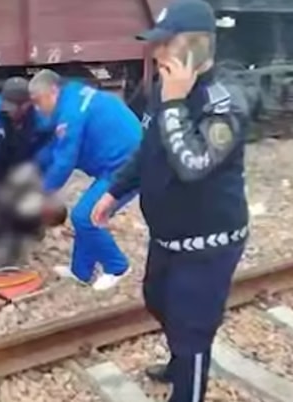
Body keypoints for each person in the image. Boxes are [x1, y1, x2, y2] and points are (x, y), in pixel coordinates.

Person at [91, 1, 250, 401]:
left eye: (166, 43)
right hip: (168, 237)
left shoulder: (224, 103)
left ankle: (187, 377)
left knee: (191, 328)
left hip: (208, 242)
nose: (157, 52)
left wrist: (176, 103)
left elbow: (191, 164)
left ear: (198, 45)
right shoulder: (163, 89)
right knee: (158, 300)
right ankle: (182, 357)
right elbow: (147, 149)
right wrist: (114, 191)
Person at [28, 69, 142, 291]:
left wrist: (42, 193)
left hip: (128, 167)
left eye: (38, 101)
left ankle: (117, 267)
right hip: (116, 162)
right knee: (84, 214)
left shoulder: (71, 114)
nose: (37, 108)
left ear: (53, 91)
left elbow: (64, 161)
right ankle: (81, 271)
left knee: (86, 216)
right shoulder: (70, 95)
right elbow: (51, 146)